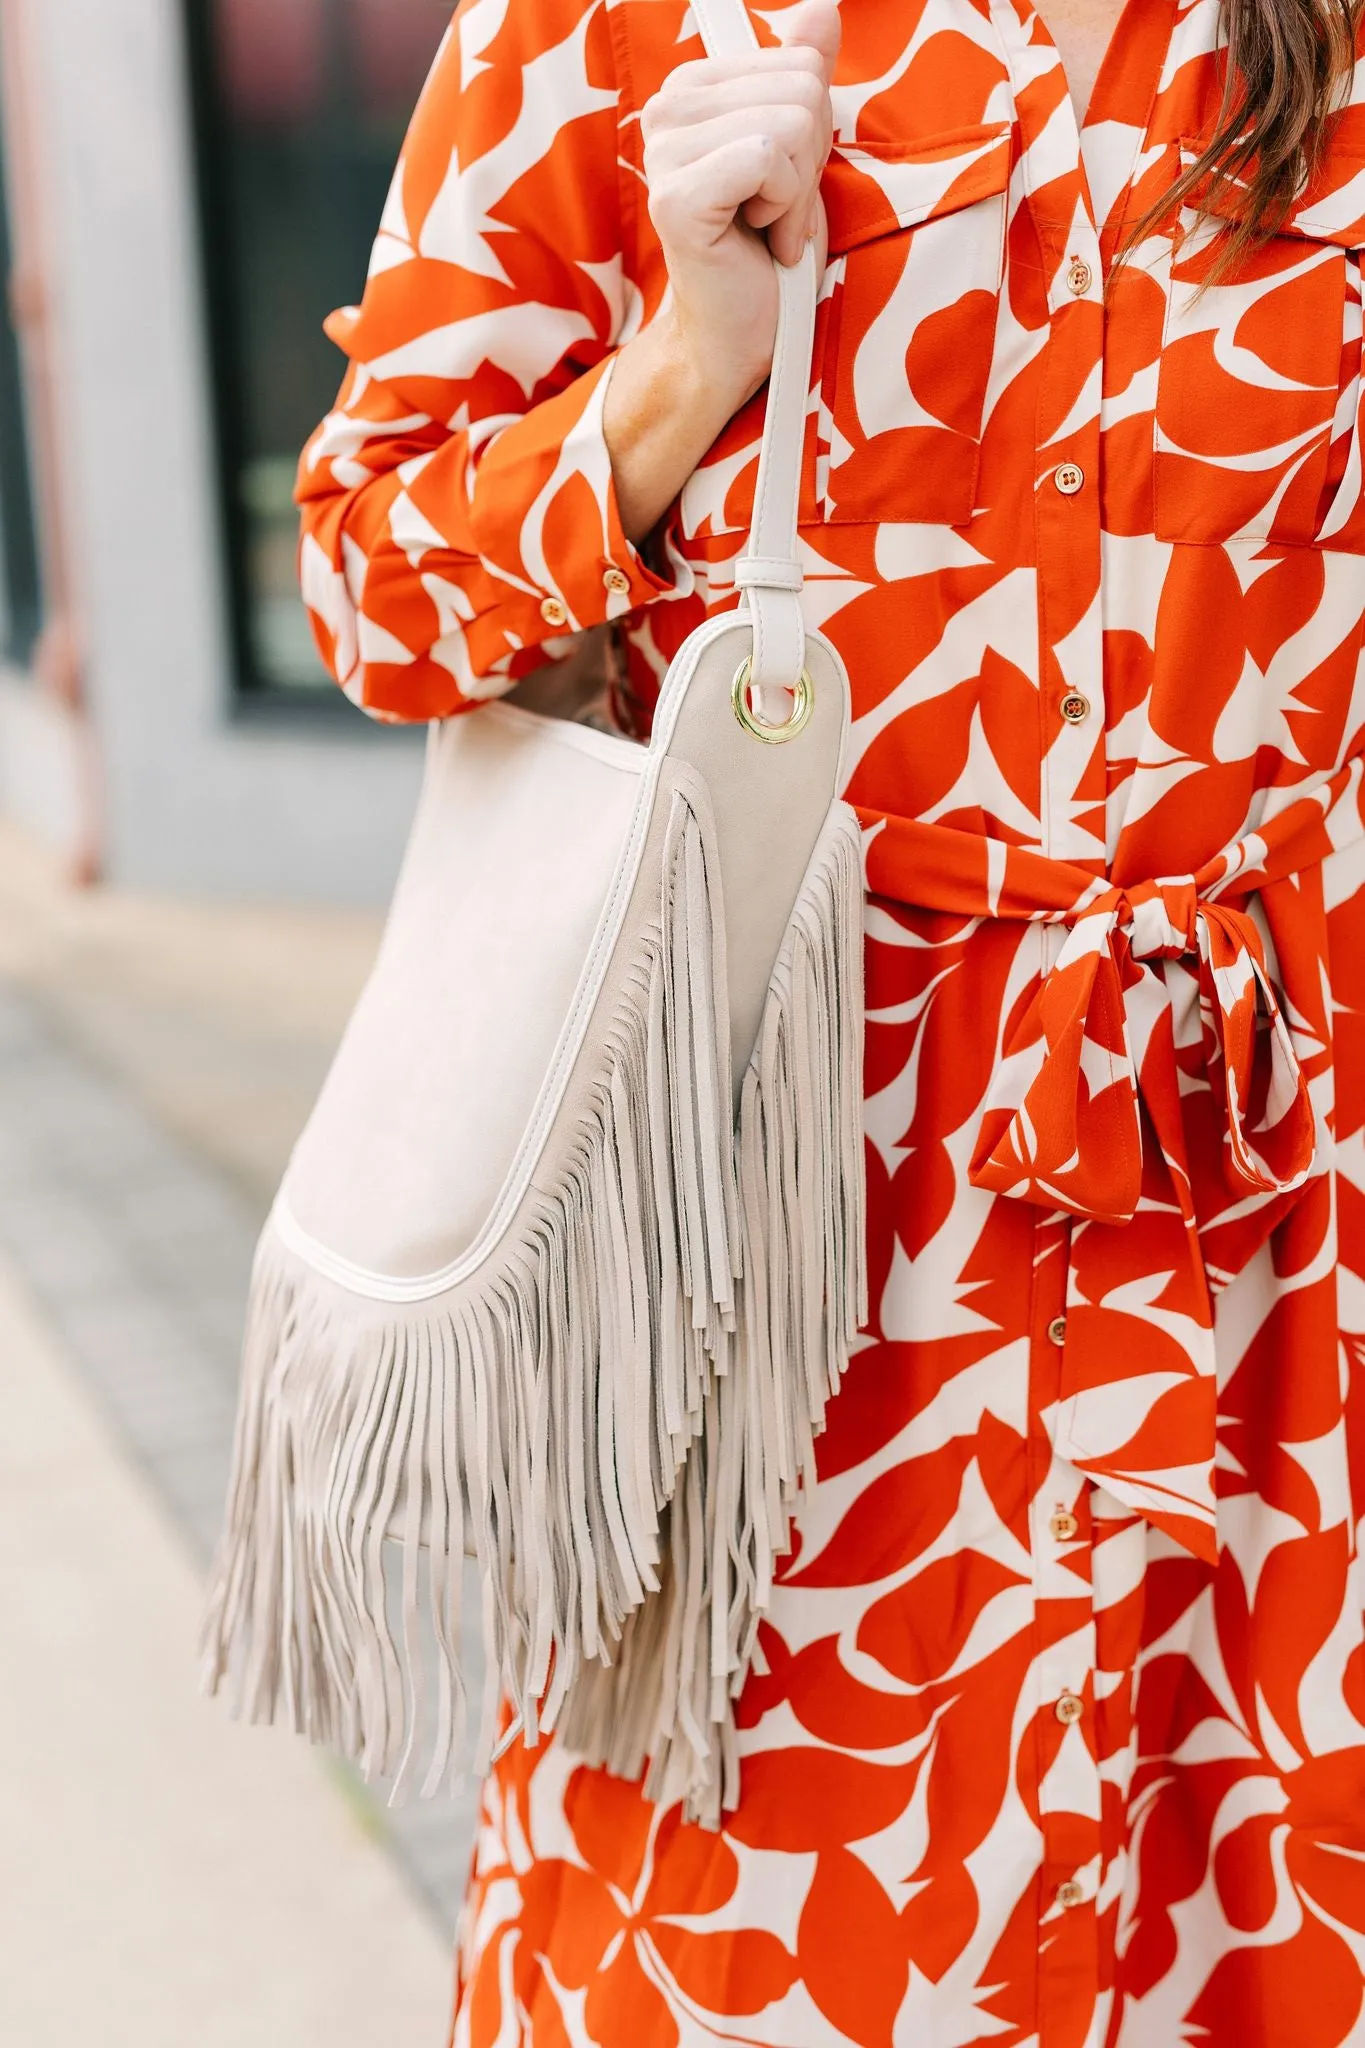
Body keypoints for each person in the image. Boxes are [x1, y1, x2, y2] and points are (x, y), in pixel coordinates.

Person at [295, 0, 1365, 2038]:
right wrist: (683, 367)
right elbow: (369, 591)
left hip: (1293, 1246)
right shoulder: (612, 28)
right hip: (805, 1261)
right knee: (752, 1958)